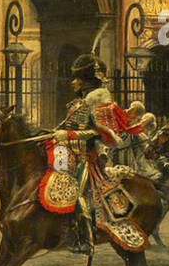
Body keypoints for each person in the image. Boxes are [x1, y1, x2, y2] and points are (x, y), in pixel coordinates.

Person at [51, 53, 142, 255]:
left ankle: (85, 238)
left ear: (87, 81)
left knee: (77, 191)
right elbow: (67, 126)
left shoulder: (99, 102)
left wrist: (68, 134)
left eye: (77, 79)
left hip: (89, 156)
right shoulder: (80, 103)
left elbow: (100, 133)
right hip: (69, 153)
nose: (73, 82)